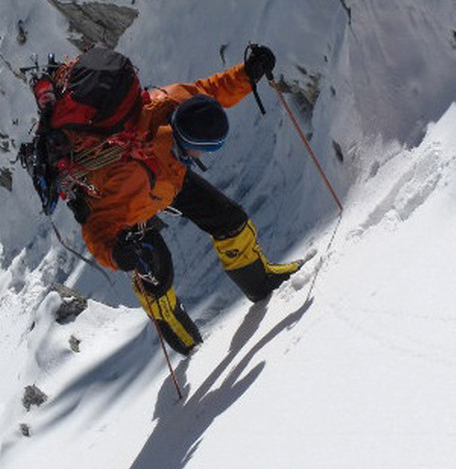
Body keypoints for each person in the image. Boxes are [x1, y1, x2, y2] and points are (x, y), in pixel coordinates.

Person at [63, 45, 302, 355]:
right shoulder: (131, 176)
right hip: (134, 204)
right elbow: (98, 225)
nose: (205, 155)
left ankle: (262, 284)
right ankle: (188, 346)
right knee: (157, 274)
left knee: (229, 219)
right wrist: (115, 253)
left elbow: (211, 91)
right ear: (186, 144)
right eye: (204, 150)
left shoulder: (175, 102)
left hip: (168, 178)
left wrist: (248, 74)